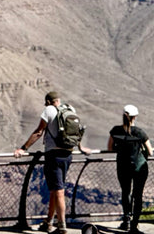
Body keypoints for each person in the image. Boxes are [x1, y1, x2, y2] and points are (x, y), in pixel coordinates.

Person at [14, 91, 95, 234]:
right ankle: (48, 222)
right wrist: (81, 148)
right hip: (68, 154)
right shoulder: (70, 109)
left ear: (48, 101)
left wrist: (23, 148)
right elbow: (76, 133)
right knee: (55, 188)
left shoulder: (49, 110)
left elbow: (39, 132)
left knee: (59, 191)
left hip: (54, 155)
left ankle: (62, 226)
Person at [107, 104, 152, 233]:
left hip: (123, 166)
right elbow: (150, 151)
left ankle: (126, 220)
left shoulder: (115, 131)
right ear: (135, 117)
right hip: (139, 167)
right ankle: (134, 226)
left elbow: (110, 148)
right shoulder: (139, 132)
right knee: (138, 195)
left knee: (125, 192)